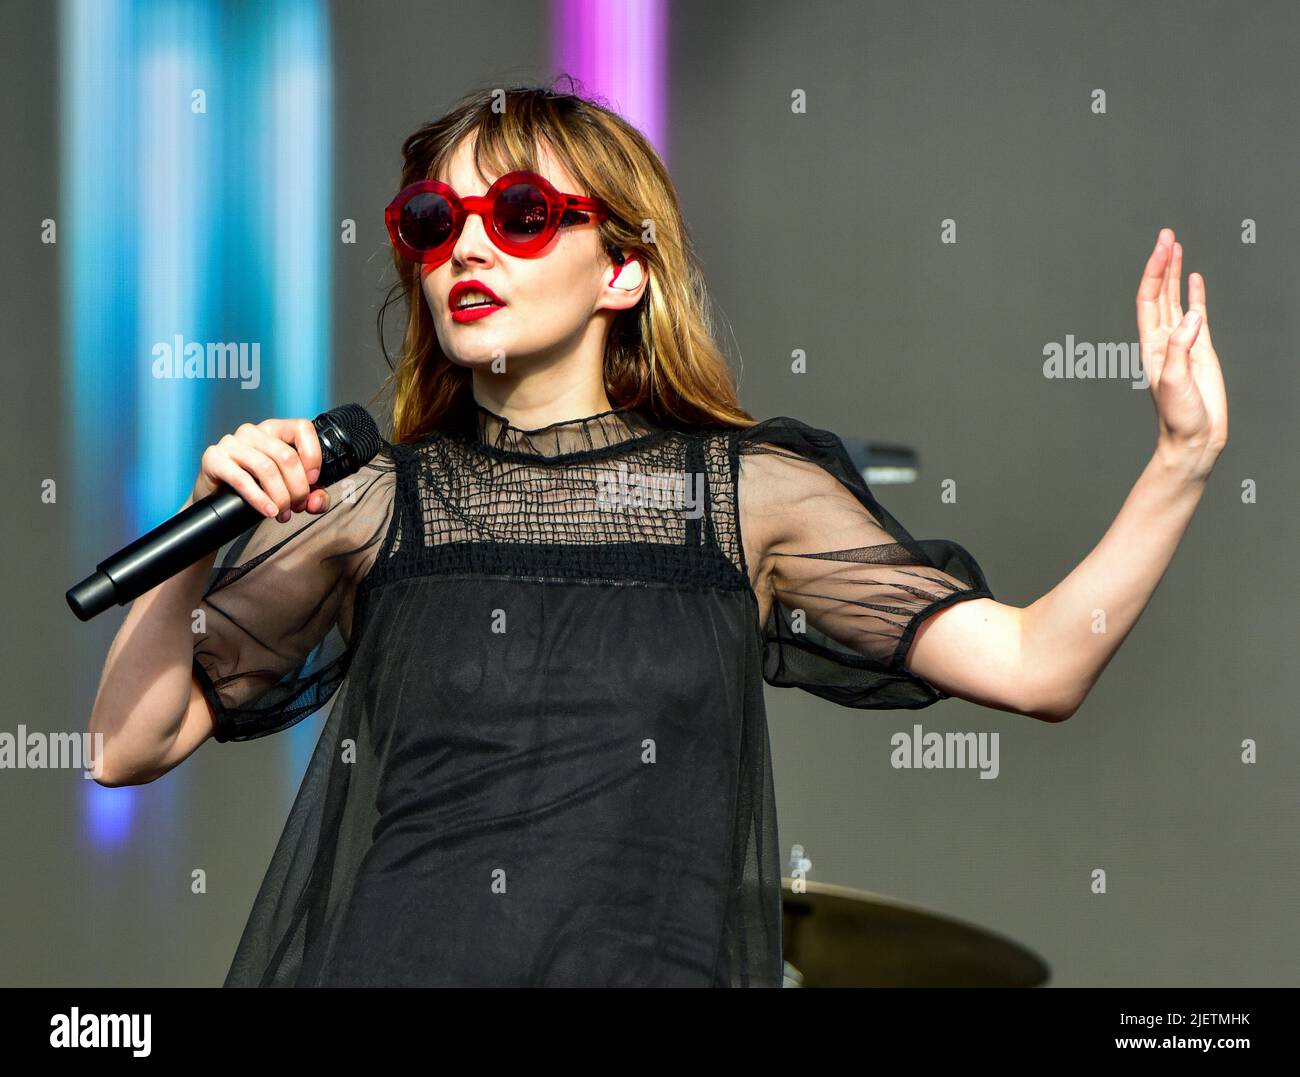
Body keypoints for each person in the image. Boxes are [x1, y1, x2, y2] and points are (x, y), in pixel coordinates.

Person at [86, 83, 1227, 987]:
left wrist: (1178, 462)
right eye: (434, 225)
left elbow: (1039, 665)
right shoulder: (380, 501)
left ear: (623, 270)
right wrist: (195, 537)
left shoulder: (747, 495)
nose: (468, 250)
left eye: (522, 216)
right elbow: (124, 750)